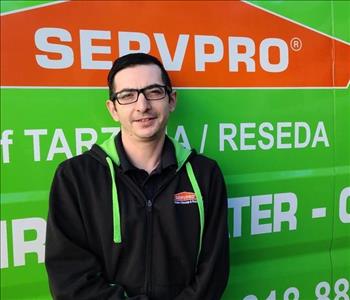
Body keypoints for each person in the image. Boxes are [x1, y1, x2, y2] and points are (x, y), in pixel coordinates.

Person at [45, 53, 229, 300]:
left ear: (171, 100)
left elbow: (213, 271)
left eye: (154, 91)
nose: (143, 105)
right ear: (113, 109)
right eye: (128, 95)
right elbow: (69, 278)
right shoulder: (75, 178)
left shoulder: (206, 174)